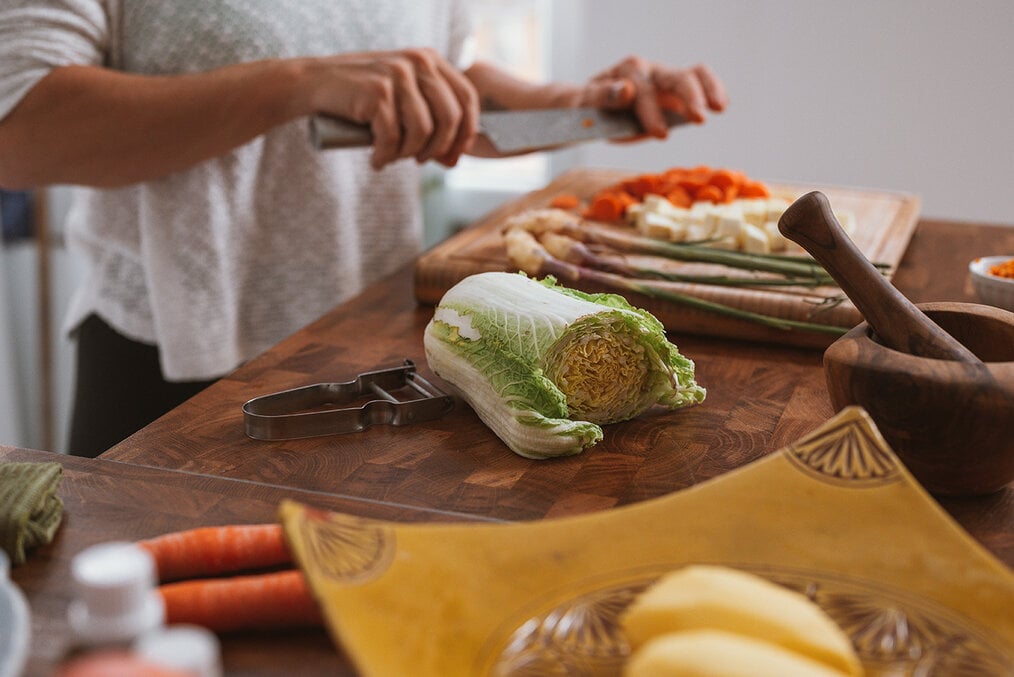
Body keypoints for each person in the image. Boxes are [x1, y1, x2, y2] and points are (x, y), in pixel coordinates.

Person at [0, 0, 728, 458]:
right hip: (166, 369)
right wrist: (296, 84)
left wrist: (585, 103)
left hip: (371, 352)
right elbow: (20, 127)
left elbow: (441, 85)